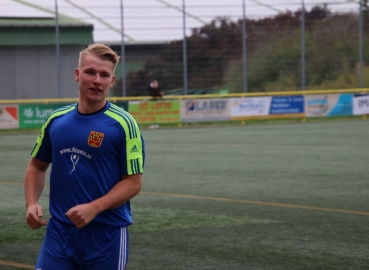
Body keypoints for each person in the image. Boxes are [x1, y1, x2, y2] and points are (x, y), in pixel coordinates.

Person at [24, 43, 145, 270]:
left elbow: (133, 183)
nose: (97, 80)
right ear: (77, 75)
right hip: (59, 233)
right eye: (90, 72)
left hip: (106, 235)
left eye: (104, 75)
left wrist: (94, 208)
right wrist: (31, 203)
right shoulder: (56, 120)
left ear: (112, 81)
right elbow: (37, 166)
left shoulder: (124, 124)